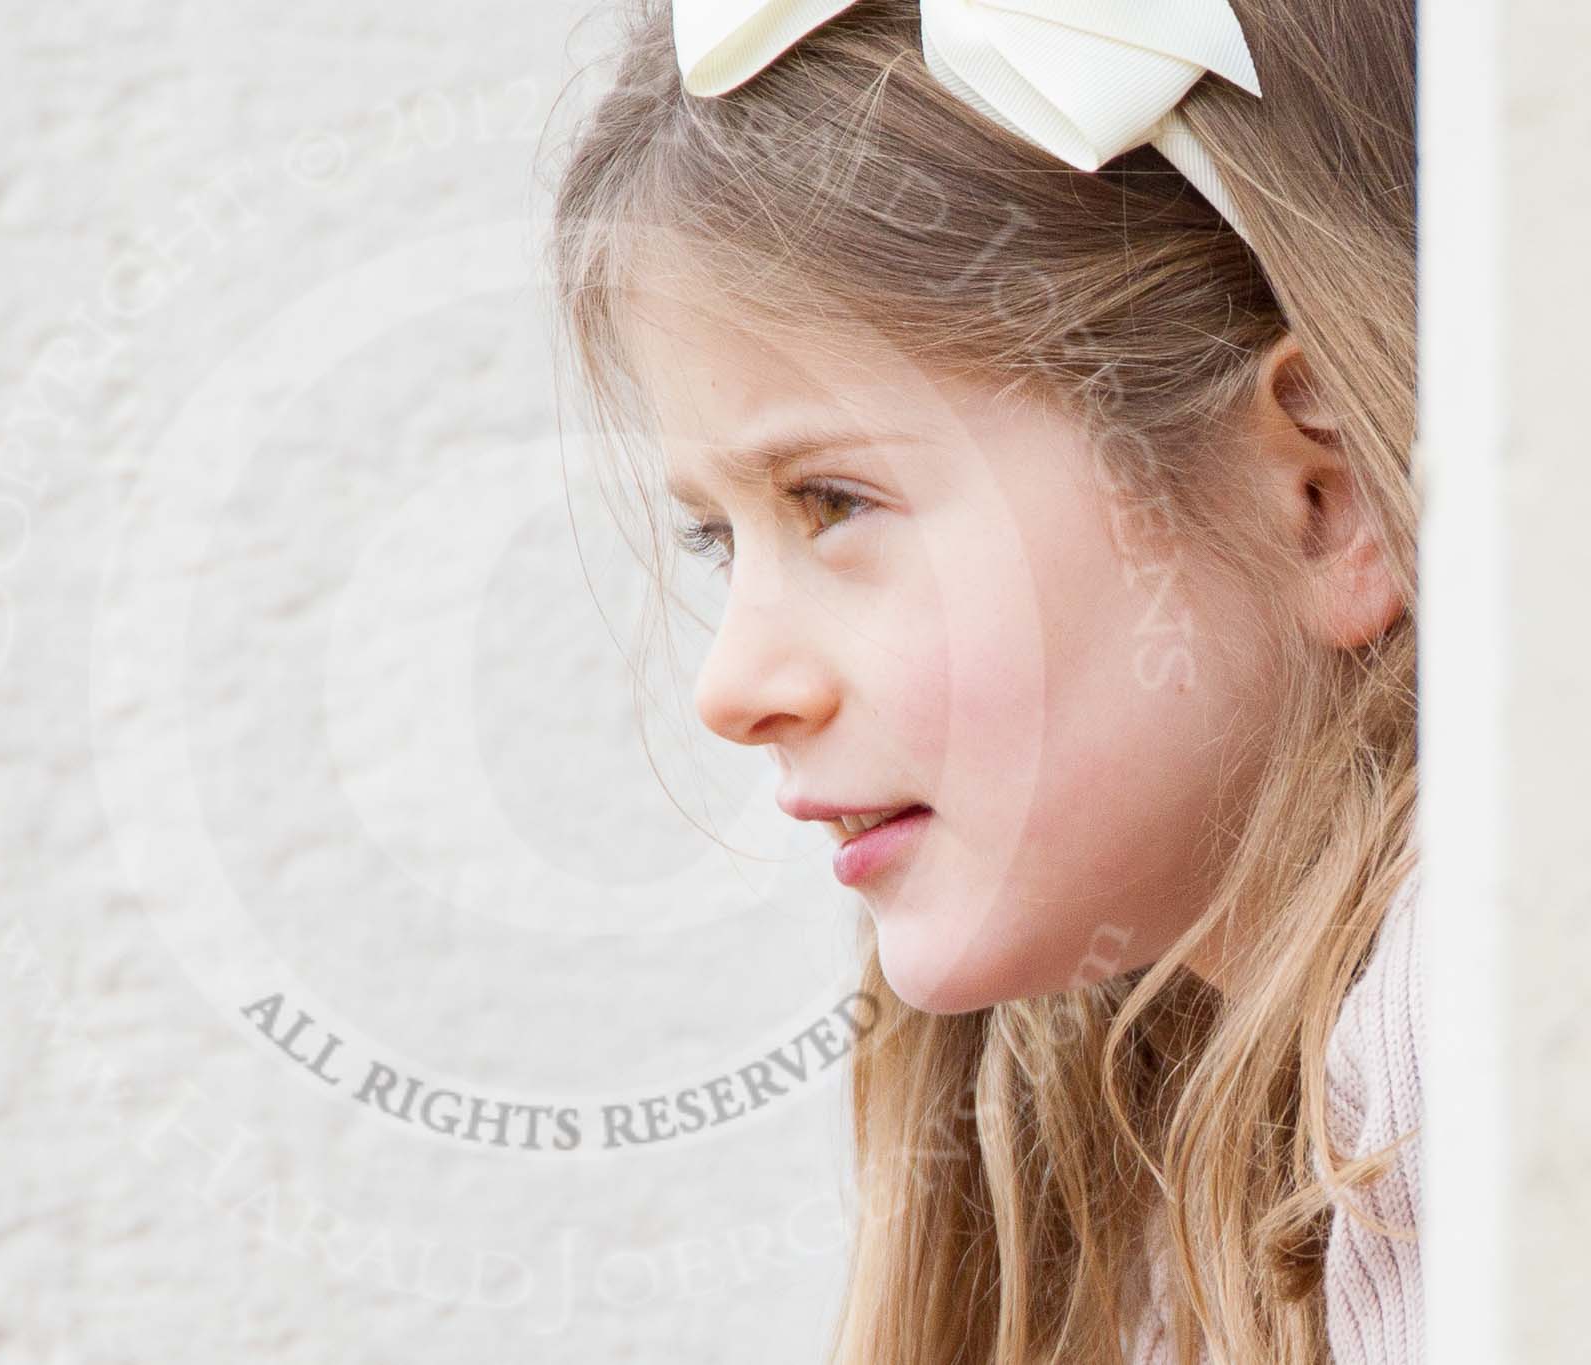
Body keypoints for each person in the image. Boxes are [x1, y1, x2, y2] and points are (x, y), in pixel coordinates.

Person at [540, 1, 1423, 1361]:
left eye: (834, 499)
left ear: (1321, 495)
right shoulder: (1186, 1154)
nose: (734, 684)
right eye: (722, 538)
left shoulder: (1472, 1035)